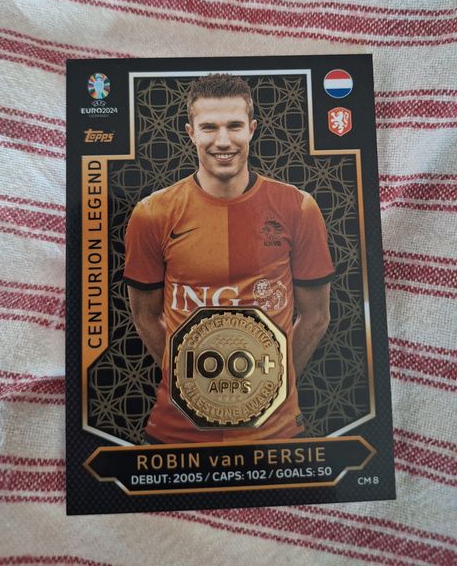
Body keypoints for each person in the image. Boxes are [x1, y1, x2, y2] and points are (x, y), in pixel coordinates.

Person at [124, 74, 334, 443]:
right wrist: (192, 386)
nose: (223, 141)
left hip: (275, 432)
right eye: (209, 127)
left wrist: (271, 385)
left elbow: (316, 315)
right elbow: (145, 316)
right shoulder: (152, 213)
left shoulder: (298, 207)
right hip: (177, 433)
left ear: (252, 129)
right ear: (190, 132)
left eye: (234, 126)